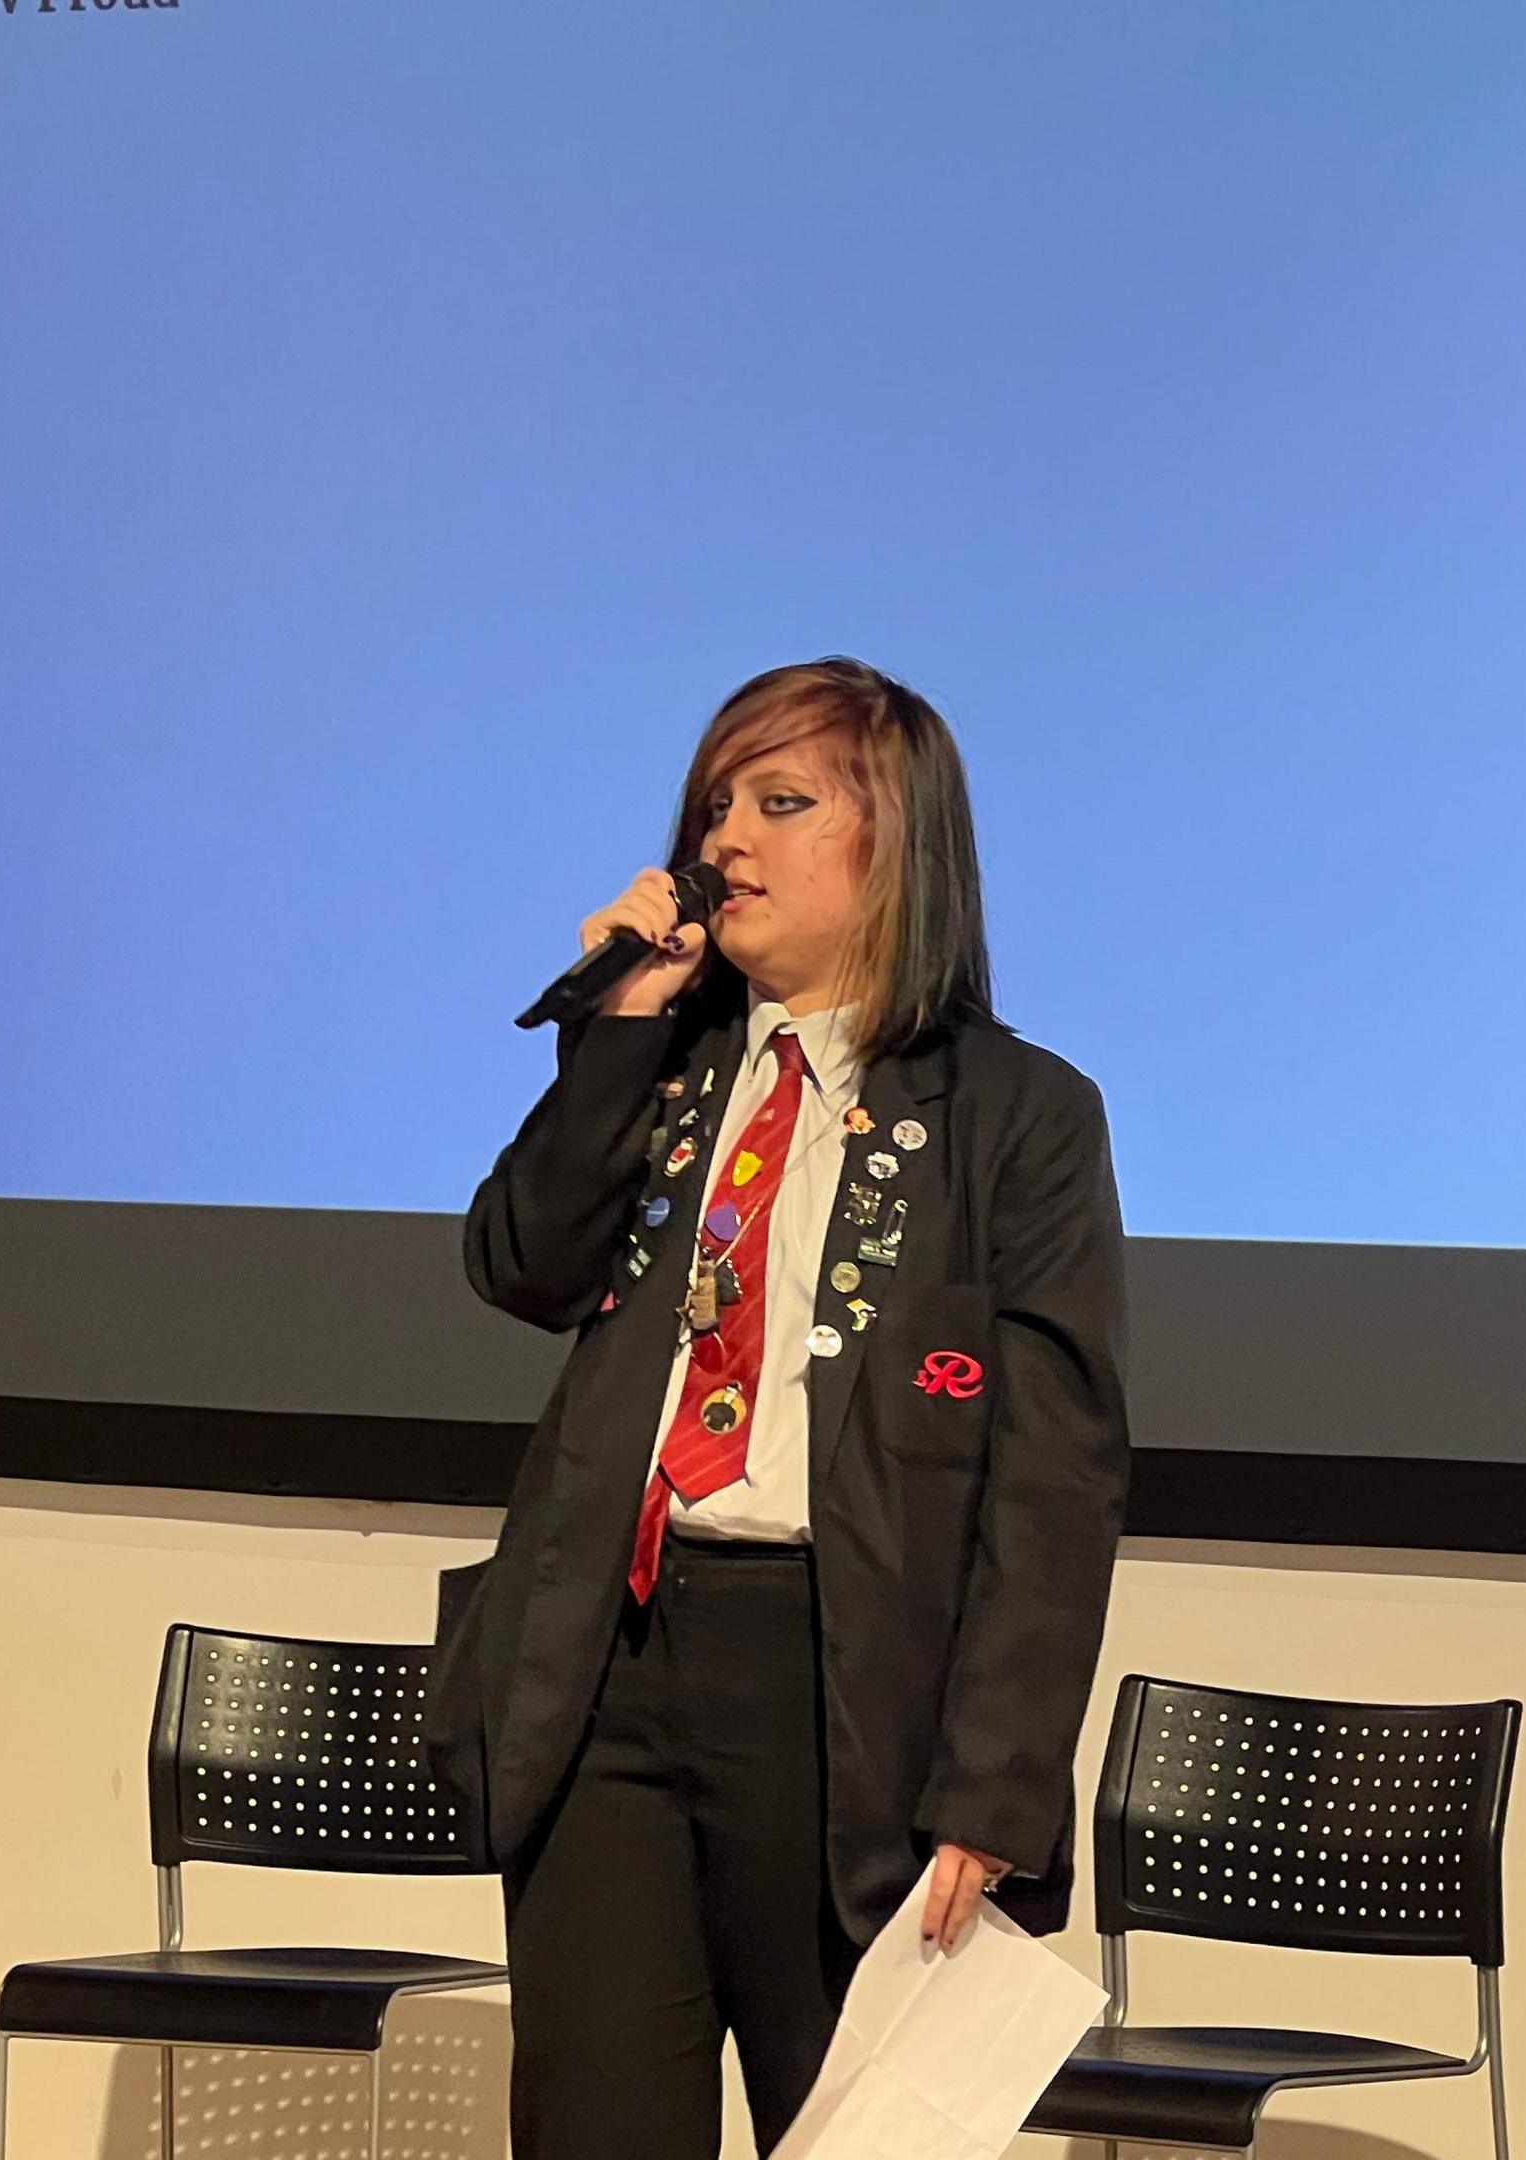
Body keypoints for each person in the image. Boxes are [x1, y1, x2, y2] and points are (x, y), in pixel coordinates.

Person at [428, 658, 1130, 2159]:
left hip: (843, 1699)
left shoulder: (1018, 1118)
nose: (725, 841)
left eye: (781, 802)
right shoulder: (661, 1071)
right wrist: (614, 1028)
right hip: (610, 1676)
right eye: (714, 806)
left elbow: (1053, 1479)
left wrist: (996, 1778)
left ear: (897, 844)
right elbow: (519, 1264)